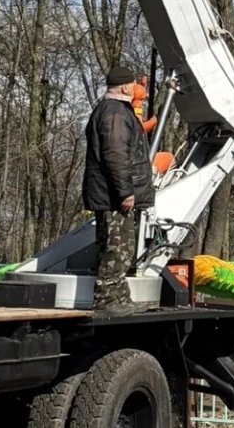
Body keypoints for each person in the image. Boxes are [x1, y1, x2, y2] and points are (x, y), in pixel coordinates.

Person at [82, 64, 154, 317]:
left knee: (114, 247)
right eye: (133, 83)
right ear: (125, 86)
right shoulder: (115, 114)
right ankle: (107, 300)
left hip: (108, 194)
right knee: (118, 249)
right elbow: (116, 154)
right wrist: (126, 191)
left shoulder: (111, 111)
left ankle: (120, 298)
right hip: (113, 197)